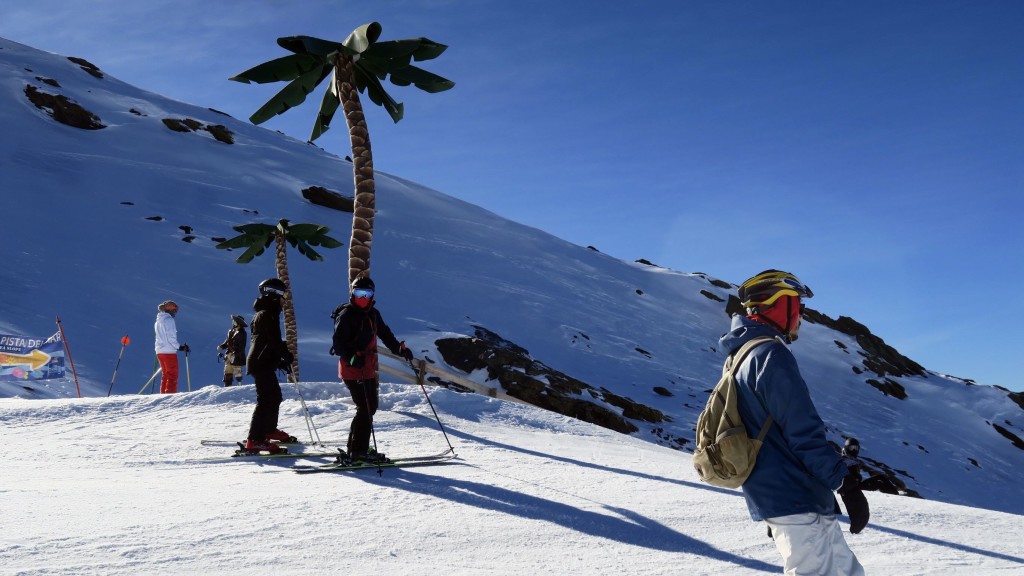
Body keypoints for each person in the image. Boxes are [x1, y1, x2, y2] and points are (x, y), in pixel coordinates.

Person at [719, 270, 864, 576]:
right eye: (797, 304)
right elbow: (803, 433)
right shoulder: (770, 355)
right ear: (777, 304)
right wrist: (845, 483)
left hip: (789, 495)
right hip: (794, 497)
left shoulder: (741, 356)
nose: (802, 313)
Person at [330, 276, 414, 463]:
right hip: (352, 367)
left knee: (370, 407)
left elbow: (385, 333)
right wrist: (352, 357)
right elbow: (338, 344)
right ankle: (357, 450)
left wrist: (400, 350)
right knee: (365, 407)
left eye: (367, 293)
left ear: (372, 295)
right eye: (359, 293)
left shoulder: (373, 314)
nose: (363, 297)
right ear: (352, 293)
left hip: (367, 367)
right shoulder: (347, 315)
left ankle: (357, 448)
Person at [242, 278, 295, 454]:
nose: (285, 299)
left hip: (263, 361)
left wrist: (279, 360)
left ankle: (268, 430)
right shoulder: (266, 314)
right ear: (274, 294)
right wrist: (285, 356)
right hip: (260, 363)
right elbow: (273, 341)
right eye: (283, 295)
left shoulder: (267, 313)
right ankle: (255, 439)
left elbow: (267, 342)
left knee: (275, 396)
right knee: (265, 400)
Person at [154, 300, 189, 394]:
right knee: (172, 374)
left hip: (159, 351)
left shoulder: (158, 321)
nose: (175, 313)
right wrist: (180, 347)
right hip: (168, 351)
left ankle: (163, 396)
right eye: (175, 310)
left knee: (166, 374)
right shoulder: (169, 320)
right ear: (170, 309)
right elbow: (171, 337)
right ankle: (169, 396)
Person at [217, 315, 247, 387]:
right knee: (227, 371)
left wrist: (236, 353)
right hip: (229, 354)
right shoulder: (231, 331)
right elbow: (227, 341)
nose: (233, 322)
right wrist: (222, 346)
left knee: (237, 373)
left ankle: (240, 387)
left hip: (237, 355)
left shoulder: (242, 333)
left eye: (234, 321)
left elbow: (242, 346)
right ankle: (227, 386)